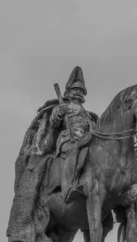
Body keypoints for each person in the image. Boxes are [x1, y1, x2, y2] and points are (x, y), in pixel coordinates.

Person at [49, 66, 96, 203]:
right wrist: (58, 114)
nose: (78, 92)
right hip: (68, 139)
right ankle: (67, 189)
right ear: (69, 91)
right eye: (76, 90)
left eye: (81, 91)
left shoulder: (86, 113)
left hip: (86, 139)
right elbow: (54, 124)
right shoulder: (63, 106)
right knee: (73, 149)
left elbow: (92, 128)